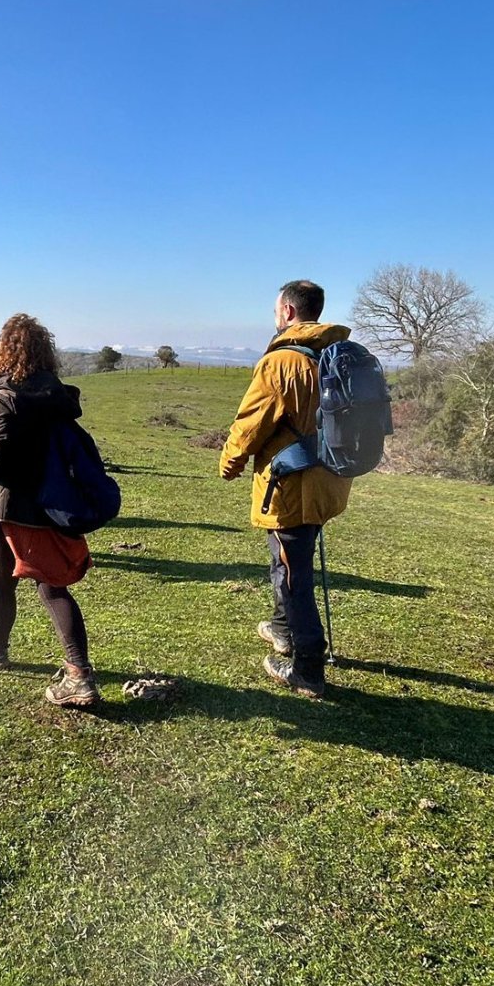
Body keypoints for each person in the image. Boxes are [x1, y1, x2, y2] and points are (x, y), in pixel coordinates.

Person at [0, 313, 100, 707]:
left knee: (45, 588)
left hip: (9, 506)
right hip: (51, 503)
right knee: (28, 584)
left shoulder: (4, 396)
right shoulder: (55, 395)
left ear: (5, 352)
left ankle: (78, 675)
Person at [219, 279, 353, 699]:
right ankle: (282, 630)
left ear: (288, 312)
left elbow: (250, 423)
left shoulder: (282, 362)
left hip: (293, 484)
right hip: (332, 477)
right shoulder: (339, 354)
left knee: (295, 575)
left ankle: (308, 668)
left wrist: (230, 462)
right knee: (289, 561)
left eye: (277, 309)